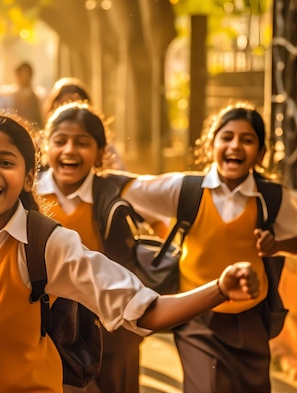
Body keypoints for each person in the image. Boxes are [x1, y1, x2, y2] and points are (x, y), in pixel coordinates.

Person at [0, 109, 260, 393]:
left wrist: (219, 289)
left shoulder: (49, 243)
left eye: (6, 161)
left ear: (30, 176)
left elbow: (146, 309)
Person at [122, 103, 297, 392]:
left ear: (261, 153)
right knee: (207, 385)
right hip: (197, 316)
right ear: (210, 144)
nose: (235, 145)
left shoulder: (272, 199)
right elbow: (127, 189)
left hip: (251, 319)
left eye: (248, 139)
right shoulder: (186, 190)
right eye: (226, 137)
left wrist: (278, 243)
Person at [37, 101, 170, 393]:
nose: (70, 150)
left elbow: (165, 211)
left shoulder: (117, 191)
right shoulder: (28, 194)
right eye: (60, 141)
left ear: (99, 153)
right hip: (48, 330)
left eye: (82, 143)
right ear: (45, 148)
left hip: (112, 328)